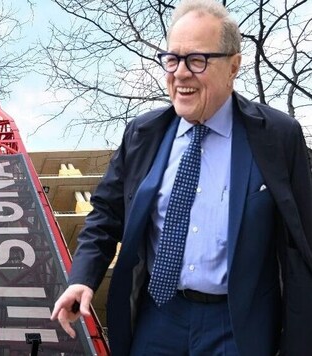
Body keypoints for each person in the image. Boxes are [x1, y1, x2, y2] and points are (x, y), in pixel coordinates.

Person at [51, 0, 312, 355]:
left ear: (234, 66)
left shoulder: (278, 136)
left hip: (238, 324)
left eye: (197, 60)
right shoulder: (143, 134)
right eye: (172, 59)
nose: (181, 73)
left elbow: (302, 242)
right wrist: (82, 277)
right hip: (158, 316)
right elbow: (106, 215)